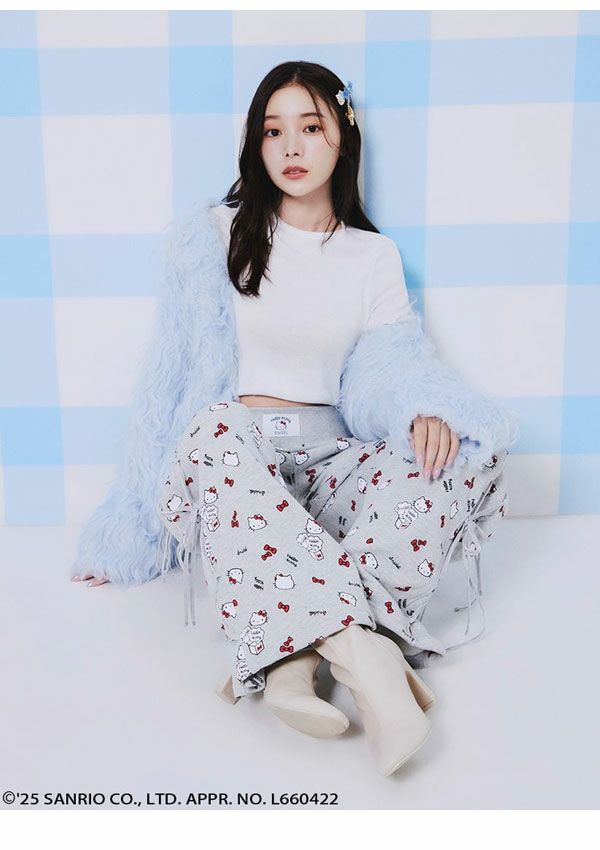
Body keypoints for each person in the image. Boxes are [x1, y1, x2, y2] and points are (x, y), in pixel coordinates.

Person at [71, 61, 519, 777]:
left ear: (344, 136)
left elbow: (393, 365)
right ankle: (368, 656)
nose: (291, 147)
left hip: (328, 461)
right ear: (255, 144)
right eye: (273, 131)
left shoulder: (372, 255)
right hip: (236, 464)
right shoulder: (213, 237)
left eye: (310, 127)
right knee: (214, 426)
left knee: (462, 449)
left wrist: (424, 409)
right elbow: (169, 381)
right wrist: (128, 528)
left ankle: (290, 661)